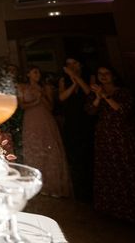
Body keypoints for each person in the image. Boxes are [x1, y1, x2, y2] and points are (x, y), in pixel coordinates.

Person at [86, 65, 135, 224]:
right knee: (108, 168)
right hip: (104, 135)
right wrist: (97, 97)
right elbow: (90, 112)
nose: (103, 76)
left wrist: (105, 96)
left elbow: (122, 111)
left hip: (121, 135)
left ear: (113, 76)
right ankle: (111, 209)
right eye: (100, 74)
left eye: (106, 73)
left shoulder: (123, 92)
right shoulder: (97, 94)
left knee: (127, 167)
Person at [20, 66, 71, 197]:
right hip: (30, 119)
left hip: (45, 118)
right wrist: (36, 100)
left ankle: (52, 185)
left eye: (38, 72)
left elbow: (50, 107)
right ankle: (35, 184)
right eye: (34, 72)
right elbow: (22, 106)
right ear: (28, 74)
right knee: (34, 147)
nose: (37, 74)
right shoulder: (22, 87)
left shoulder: (45, 87)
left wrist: (41, 96)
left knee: (49, 148)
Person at [59, 57, 96, 201]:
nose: (71, 66)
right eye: (68, 63)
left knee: (89, 152)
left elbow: (88, 92)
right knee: (74, 153)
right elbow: (62, 97)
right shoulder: (64, 80)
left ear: (80, 64)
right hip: (72, 119)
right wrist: (73, 84)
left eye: (74, 62)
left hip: (86, 118)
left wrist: (76, 78)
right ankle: (80, 192)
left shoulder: (90, 77)